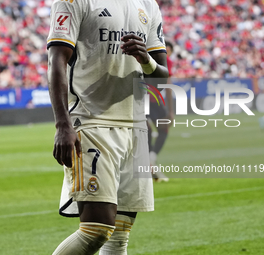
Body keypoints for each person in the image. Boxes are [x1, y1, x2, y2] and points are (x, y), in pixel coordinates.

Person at [47, 0, 169, 253]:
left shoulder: (148, 4)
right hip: (92, 122)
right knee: (96, 230)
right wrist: (62, 124)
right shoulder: (74, 2)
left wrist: (145, 59)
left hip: (135, 128)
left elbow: (162, 76)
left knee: (119, 236)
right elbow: (56, 60)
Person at [148, 41, 174, 182]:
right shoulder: (164, 59)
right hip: (146, 99)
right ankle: (150, 162)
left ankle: (151, 159)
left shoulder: (163, 60)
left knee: (160, 129)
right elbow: (168, 85)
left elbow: (168, 84)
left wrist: (170, 110)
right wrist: (171, 111)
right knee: (148, 130)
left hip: (151, 99)